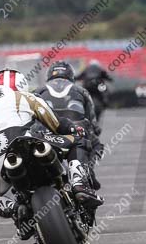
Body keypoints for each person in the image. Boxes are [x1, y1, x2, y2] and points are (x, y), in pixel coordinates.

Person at [0, 68, 102, 229]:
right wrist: (74, 129)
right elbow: (58, 125)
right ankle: (79, 184)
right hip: (27, 143)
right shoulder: (24, 96)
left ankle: (15, 209)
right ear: (21, 86)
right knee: (78, 141)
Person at [35, 61, 103, 189]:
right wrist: (95, 129)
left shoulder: (38, 91)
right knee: (98, 145)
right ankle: (87, 171)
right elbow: (92, 119)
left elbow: (29, 118)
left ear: (49, 75)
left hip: (45, 132)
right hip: (75, 131)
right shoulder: (82, 91)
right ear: (70, 75)